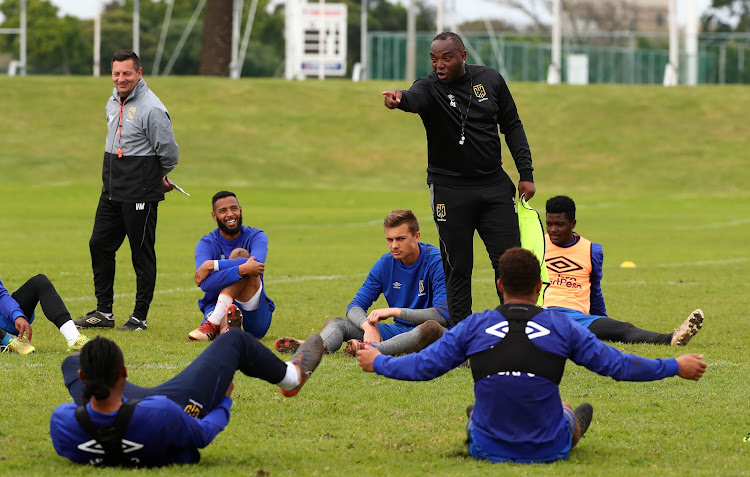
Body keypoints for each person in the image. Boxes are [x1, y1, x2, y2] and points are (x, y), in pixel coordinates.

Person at [357, 247, 707, 464]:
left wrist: (379, 362)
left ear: (499, 285)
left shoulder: (474, 326)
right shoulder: (561, 327)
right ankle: (563, 422)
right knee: (571, 409)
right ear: (540, 286)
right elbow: (617, 365)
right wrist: (674, 365)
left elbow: (423, 366)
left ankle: (478, 420)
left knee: (481, 413)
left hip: (486, 449)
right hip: (548, 449)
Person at [382, 32, 535, 326]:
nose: (439, 65)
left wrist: (525, 173)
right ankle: (461, 338)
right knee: (457, 267)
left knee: (509, 264)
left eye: (446, 58)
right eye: (434, 59)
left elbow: (512, 125)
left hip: (494, 187)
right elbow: (414, 98)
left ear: (463, 57)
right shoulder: (428, 87)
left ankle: (517, 329)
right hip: (450, 191)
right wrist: (400, 100)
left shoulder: (490, 80)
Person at [51, 330, 324, 466]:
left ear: (84, 377)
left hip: (123, 411)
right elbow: (203, 434)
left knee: (69, 361)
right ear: (123, 372)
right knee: (234, 340)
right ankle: (291, 378)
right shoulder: (161, 412)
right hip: (171, 409)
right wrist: (225, 401)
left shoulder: (63, 423)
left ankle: (91, 378)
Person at [75, 49, 179, 332]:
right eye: (116, 73)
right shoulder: (112, 100)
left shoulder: (152, 108)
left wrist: (157, 175)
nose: (121, 79)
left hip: (140, 194)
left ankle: (139, 317)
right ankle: (104, 312)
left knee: (140, 254)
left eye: (127, 73)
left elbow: (169, 152)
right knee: (99, 244)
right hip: (111, 191)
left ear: (139, 73)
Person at [274, 209, 449, 357]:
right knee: (339, 323)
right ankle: (317, 347)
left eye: (400, 239)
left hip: (438, 335)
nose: (394, 245)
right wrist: (367, 326)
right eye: (390, 239)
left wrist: (394, 311)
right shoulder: (385, 264)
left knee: (430, 327)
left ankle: (368, 350)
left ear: (416, 236)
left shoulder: (436, 261)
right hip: (398, 332)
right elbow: (355, 305)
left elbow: (440, 315)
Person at [544, 195, 703, 345]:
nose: (553, 230)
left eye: (559, 224)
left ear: (573, 224)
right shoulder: (536, 244)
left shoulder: (591, 250)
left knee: (625, 328)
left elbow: (595, 290)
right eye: (549, 224)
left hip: (577, 318)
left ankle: (671, 339)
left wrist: (603, 322)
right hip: (541, 313)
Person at [188, 191, 275, 341]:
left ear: (240, 210)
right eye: (223, 211)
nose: (230, 214)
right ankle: (229, 329)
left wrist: (213, 265)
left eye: (234, 208)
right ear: (214, 216)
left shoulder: (256, 236)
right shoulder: (206, 244)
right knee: (242, 266)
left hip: (253, 311)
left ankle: (213, 324)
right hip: (217, 305)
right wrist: (241, 269)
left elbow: (256, 265)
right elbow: (205, 284)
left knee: (240, 254)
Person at [0, 274, 90, 354]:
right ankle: (6, 339)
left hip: (6, 322)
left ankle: (75, 339)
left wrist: (17, 315)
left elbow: (1, 295)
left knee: (39, 282)